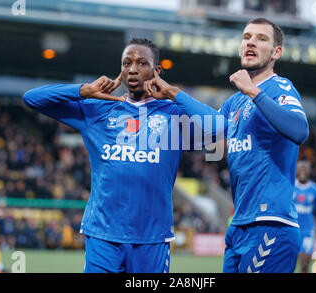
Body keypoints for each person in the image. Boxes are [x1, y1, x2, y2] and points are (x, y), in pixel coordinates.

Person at [143, 17, 309, 273]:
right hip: (239, 224)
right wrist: (170, 93)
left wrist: (253, 91)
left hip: (271, 223)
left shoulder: (280, 87)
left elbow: (299, 130)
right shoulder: (234, 103)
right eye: (246, 37)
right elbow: (211, 129)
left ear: (277, 52)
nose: (250, 42)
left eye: (261, 38)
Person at [23, 38, 200, 273]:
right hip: (103, 236)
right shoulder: (97, 109)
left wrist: (173, 93)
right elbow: (32, 98)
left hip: (152, 238)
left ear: (157, 71)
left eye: (141, 63)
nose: (133, 69)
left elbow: (220, 126)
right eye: (126, 63)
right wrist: (83, 90)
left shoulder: (175, 115)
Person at [293, 161, 316, 273]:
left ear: (309, 171)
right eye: (300, 168)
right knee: (287, 260)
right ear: (296, 170)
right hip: (291, 228)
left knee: (305, 259)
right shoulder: (289, 186)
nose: (302, 171)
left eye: (305, 168)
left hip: (308, 229)